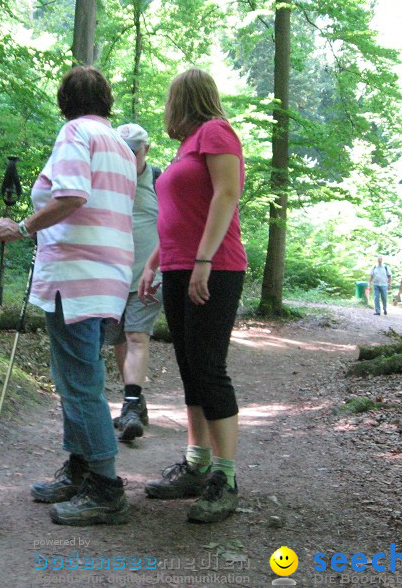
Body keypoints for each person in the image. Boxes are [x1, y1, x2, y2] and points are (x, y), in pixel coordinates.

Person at [0, 66, 136, 526]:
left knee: (79, 383)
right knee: (80, 377)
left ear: (64, 101)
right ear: (106, 100)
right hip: (107, 276)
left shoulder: (76, 132)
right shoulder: (119, 145)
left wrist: (22, 226)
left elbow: (72, 195)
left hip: (75, 278)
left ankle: (106, 487)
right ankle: (79, 470)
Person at [137, 68, 246, 524]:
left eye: (171, 99)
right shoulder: (187, 146)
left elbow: (226, 196)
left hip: (214, 269)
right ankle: (197, 464)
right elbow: (182, 212)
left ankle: (226, 477)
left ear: (184, 99)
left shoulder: (217, 132)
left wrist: (203, 260)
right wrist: (154, 262)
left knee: (208, 367)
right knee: (189, 367)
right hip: (181, 266)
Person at [104, 123, 163, 443]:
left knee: (137, 335)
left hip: (150, 275)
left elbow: (174, 226)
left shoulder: (160, 181)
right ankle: (135, 401)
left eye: (134, 152)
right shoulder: (107, 179)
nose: (128, 158)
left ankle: (128, 406)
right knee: (119, 340)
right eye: (122, 152)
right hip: (112, 275)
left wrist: (158, 266)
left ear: (146, 150)